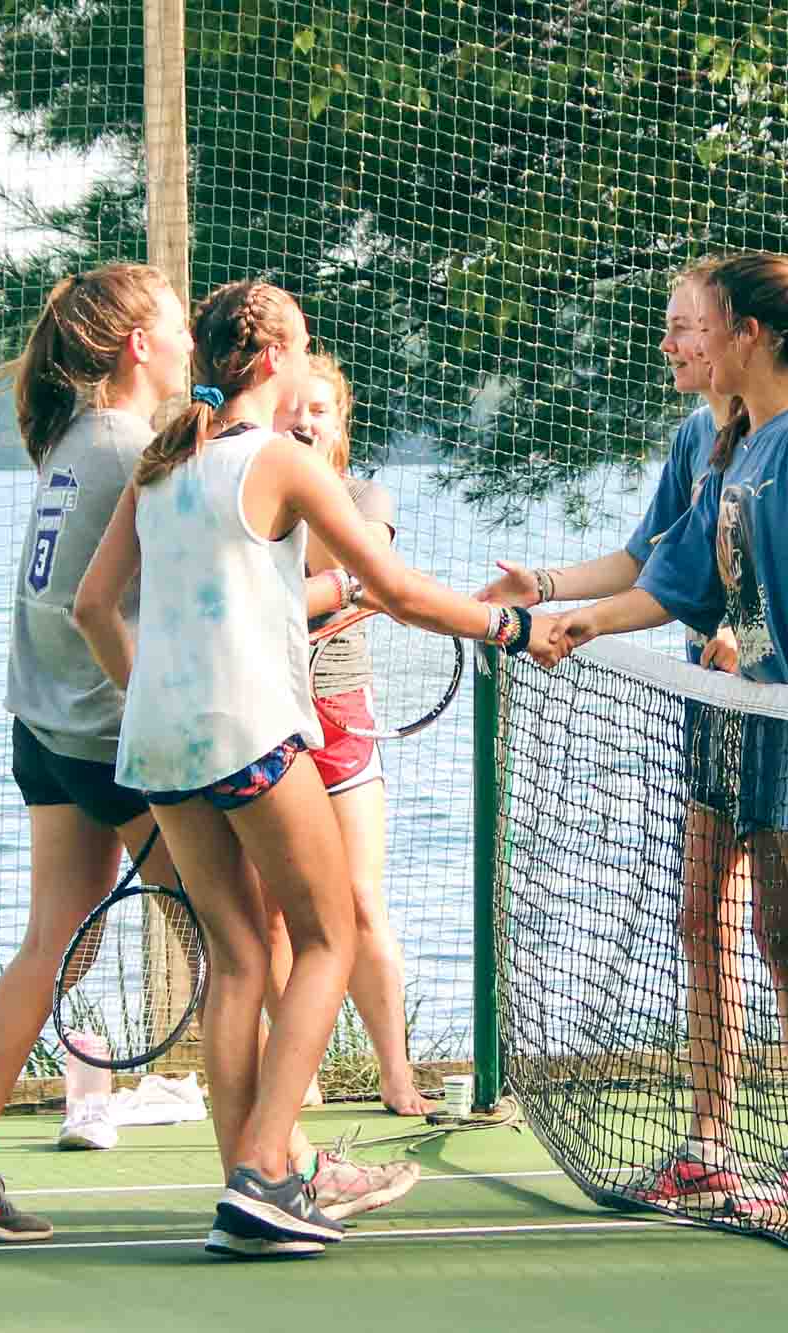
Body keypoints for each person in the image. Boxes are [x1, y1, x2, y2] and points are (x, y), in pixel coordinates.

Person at [73, 277, 537, 1258]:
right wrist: (513, 627)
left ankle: (253, 1182)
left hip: (158, 746)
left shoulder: (162, 463)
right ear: (277, 360)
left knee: (238, 959)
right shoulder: (279, 461)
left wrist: (158, 692)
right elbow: (400, 590)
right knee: (326, 937)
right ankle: (266, 1172)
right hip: (249, 734)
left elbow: (94, 608)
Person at [533, 252, 788, 1238]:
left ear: (750, 337)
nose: (690, 342)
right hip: (761, 739)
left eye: (705, 324)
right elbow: (671, 582)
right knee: (786, 945)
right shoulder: (741, 450)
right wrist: (574, 617)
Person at [0, 262, 189, 1244]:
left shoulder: (73, 437)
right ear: (141, 345)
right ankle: (281, 1169)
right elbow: (113, 598)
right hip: (113, 735)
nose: (192, 341)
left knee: (55, 947)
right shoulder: (132, 445)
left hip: (47, 729)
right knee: (251, 945)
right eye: (180, 326)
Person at [476, 258, 769, 1213]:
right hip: (708, 711)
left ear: (737, 335)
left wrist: (744, 636)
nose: (670, 342)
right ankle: (710, 1138)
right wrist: (548, 590)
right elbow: (650, 560)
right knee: (705, 918)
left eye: (686, 325)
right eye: (670, 323)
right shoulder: (697, 438)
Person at [280, 350, 432, 1116]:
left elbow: (365, 568)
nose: (304, 421)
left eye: (320, 411)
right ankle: (292, 1073)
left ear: (342, 424)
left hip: (338, 711)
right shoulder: (257, 493)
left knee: (361, 901)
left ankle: (396, 1070)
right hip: (264, 717)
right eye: (292, 408)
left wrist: (316, 587)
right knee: (271, 912)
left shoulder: (363, 496)